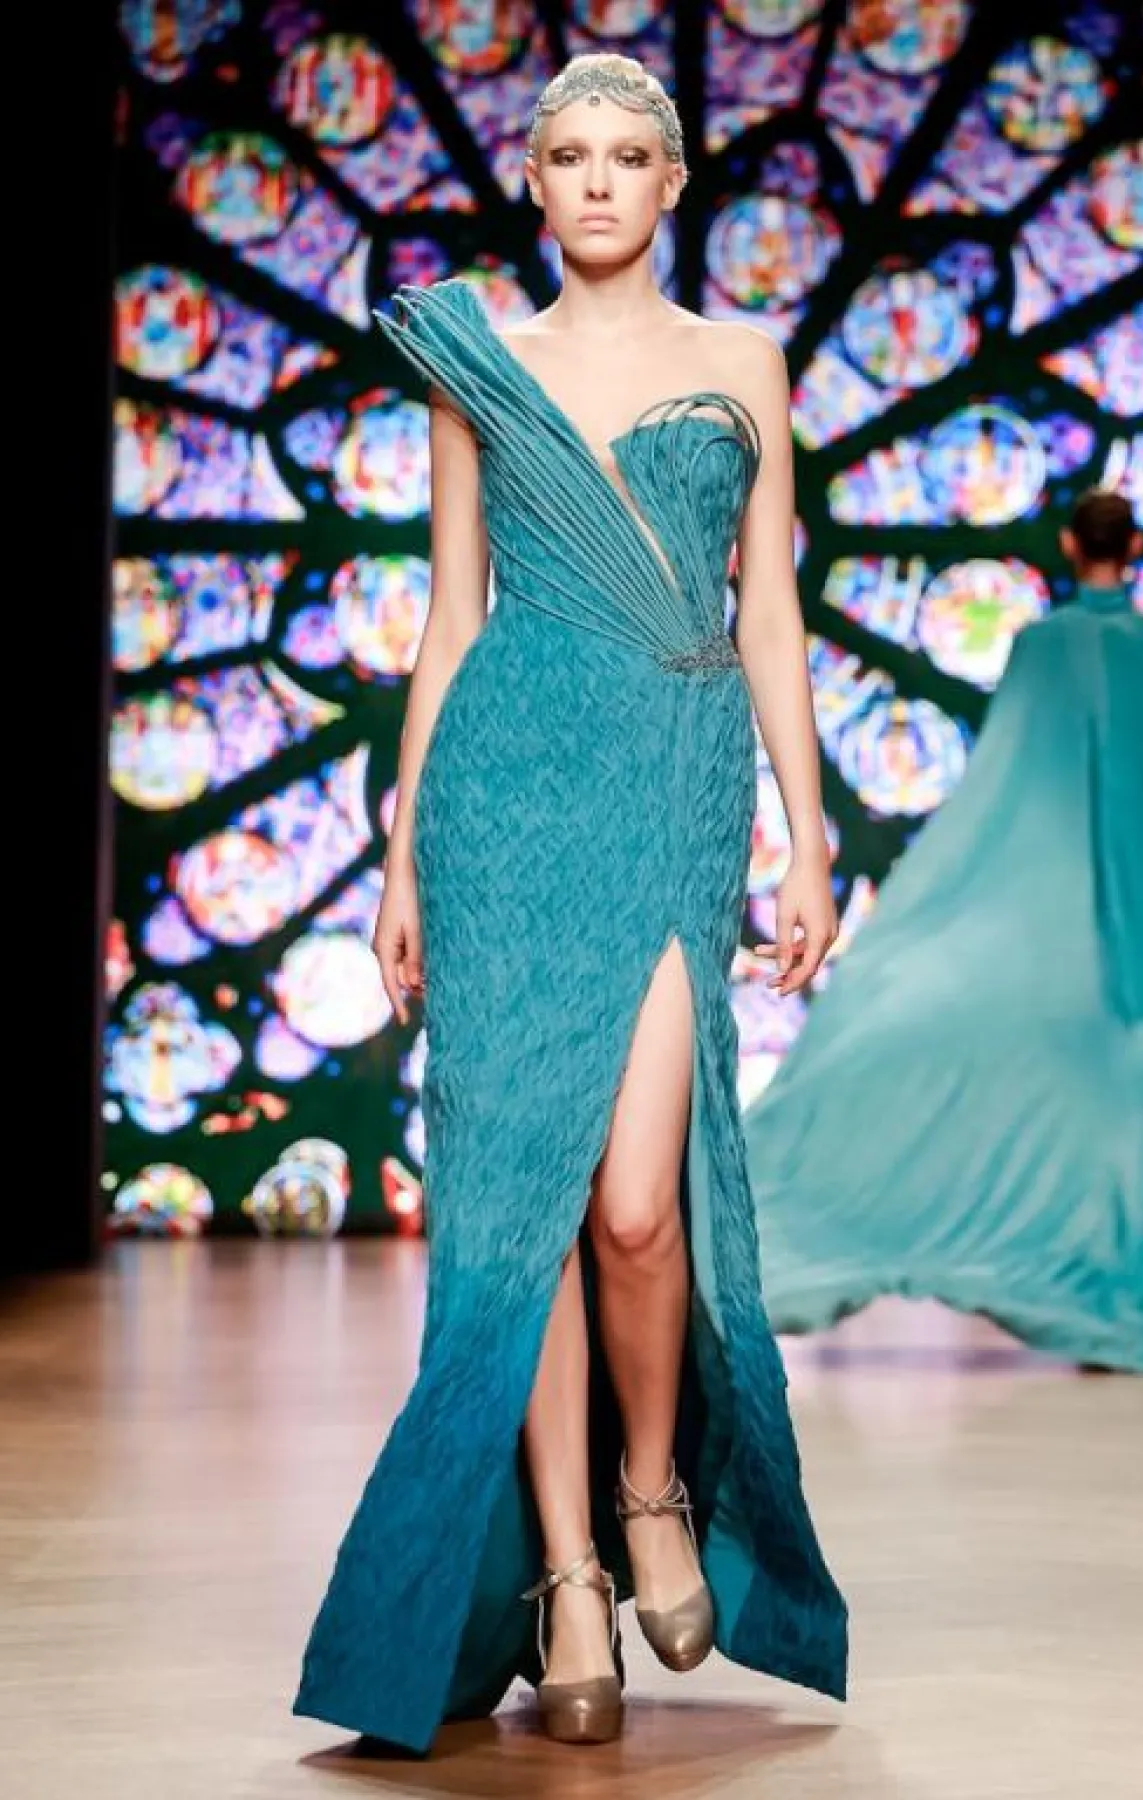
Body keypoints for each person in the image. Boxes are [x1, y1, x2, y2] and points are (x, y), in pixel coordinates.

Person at [292, 52, 849, 1752]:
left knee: (635, 1207)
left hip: (676, 775)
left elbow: (769, 614)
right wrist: (402, 852)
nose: (598, 181)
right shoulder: (481, 365)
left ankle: (651, 1487)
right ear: (533, 183)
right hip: (504, 791)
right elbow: (449, 616)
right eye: (569, 156)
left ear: (674, 184)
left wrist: (809, 834)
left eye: (628, 156)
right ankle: (566, 1571)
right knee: (521, 1206)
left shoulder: (744, 362)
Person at [743, 488, 1143, 1372]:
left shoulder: (1043, 647)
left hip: (1052, 898)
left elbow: (1008, 776)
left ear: (1067, 544)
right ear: (1137, 545)